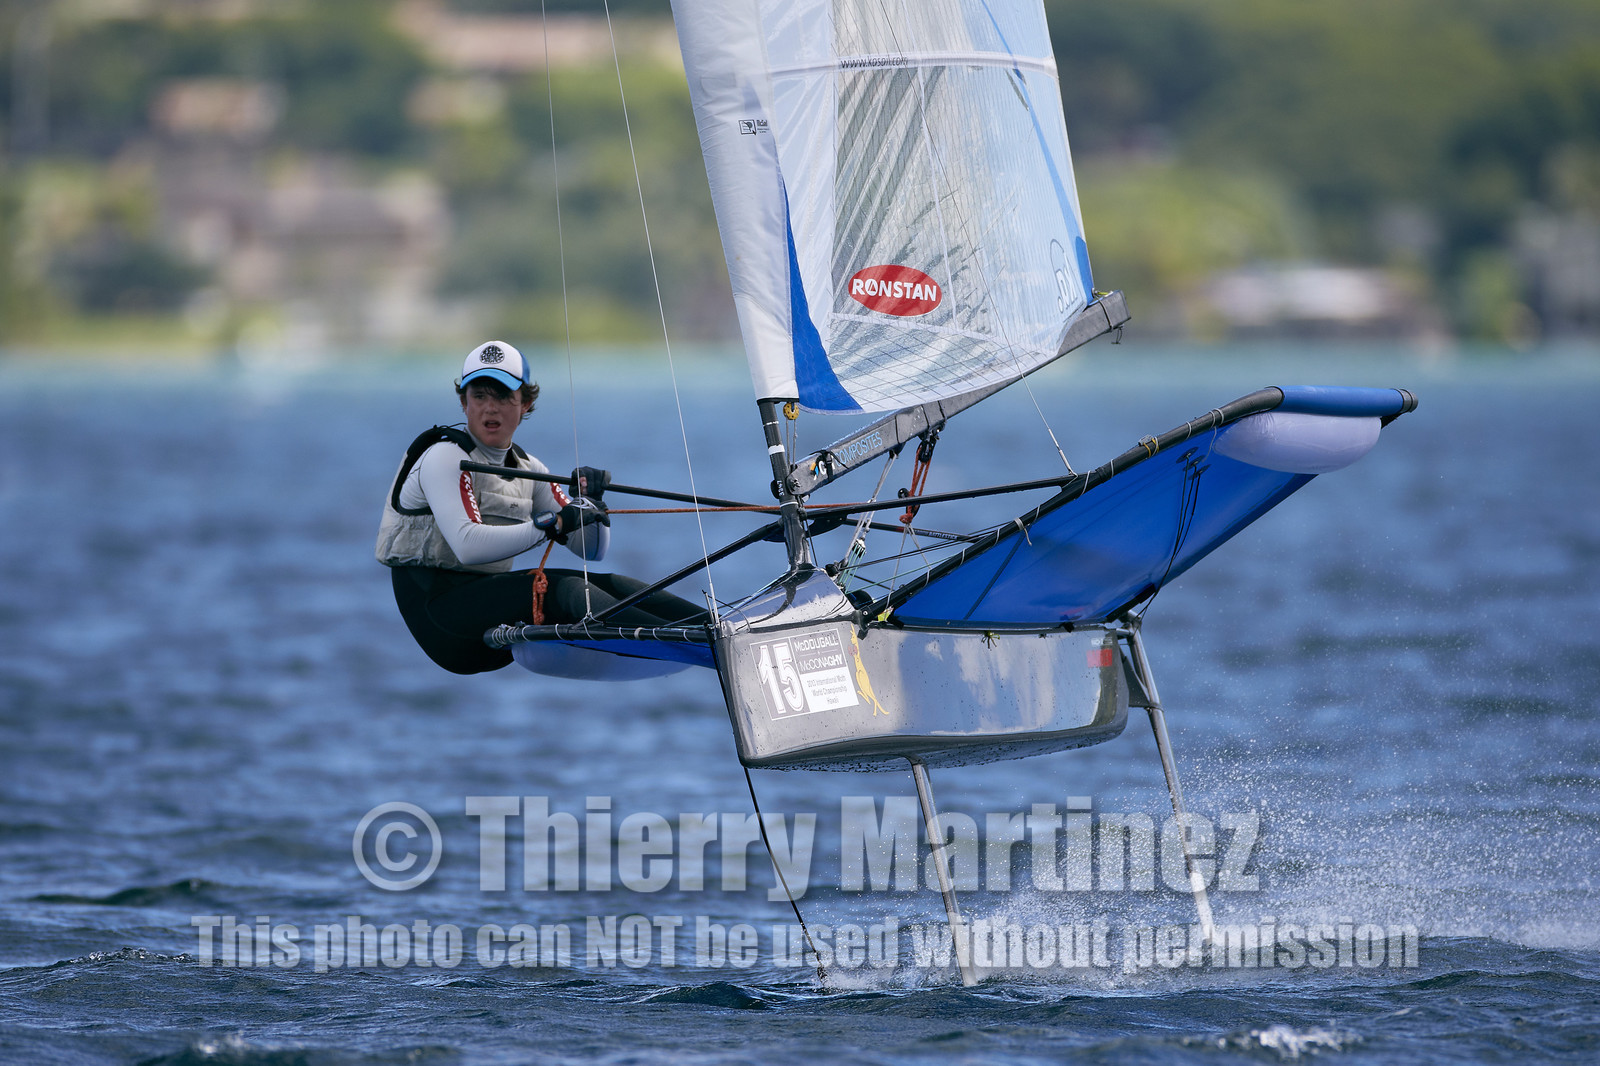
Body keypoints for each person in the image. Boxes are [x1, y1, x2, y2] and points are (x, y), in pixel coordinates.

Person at [377, 341, 703, 674]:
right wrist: (554, 523)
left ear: (525, 403)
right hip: (440, 620)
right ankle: (703, 646)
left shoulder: (529, 467)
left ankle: (719, 629)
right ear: (464, 402)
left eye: (503, 396)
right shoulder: (444, 457)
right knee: (564, 591)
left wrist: (590, 503)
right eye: (479, 396)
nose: (490, 408)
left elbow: (591, 551)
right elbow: (468, 546)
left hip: (483, 608)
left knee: (615, 584)